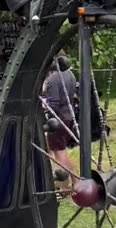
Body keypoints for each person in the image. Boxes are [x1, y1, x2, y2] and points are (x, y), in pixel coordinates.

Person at [43, 55, 77, 191]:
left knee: (59, 153)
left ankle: (65, 187)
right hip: (69, 117)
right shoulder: (70, 75)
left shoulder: (52, 79)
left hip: (58, 120)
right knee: (60, 151)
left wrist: (45, 106)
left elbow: (54, 104)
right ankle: (74, 181)